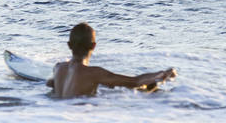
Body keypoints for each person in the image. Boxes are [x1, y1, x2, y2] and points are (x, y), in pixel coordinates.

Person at [46, 23, 177, 99]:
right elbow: (134, 82)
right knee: (146, 90)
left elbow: (50, 84)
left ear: (69, 45)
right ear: (93, 46)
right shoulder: (93, 73)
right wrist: (163, 74)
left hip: (60, 116)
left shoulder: (58, 68)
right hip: (77, 117)